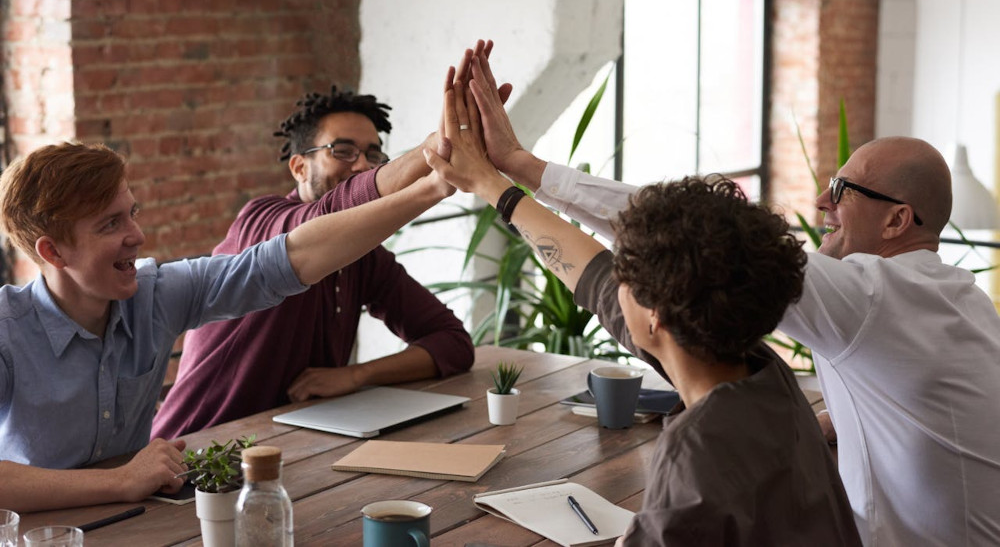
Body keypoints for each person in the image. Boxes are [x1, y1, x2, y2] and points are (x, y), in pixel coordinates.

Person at [464, 45, 1000, 544]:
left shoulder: (871, 298)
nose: (821, 201)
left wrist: (519, 172)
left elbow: (685, 235)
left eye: (841, 189)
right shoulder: (955, 299)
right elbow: (910, 403)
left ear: (897, 220)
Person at [424, 60, 861, 545]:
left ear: (657, 314)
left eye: (625, 274)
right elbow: (591, 275)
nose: (614, 282)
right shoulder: (760, 374)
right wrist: (493, 184)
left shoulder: (699, 454)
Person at [0, 140, 452, 512]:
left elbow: (284, 261)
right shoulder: (7, 329)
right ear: (54, 252)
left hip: (141, 525)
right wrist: (120, 481)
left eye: (132, 212)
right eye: (110, 223)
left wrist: (430, 188)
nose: (137, 235)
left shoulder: (155, 293)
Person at [151, 84, 474, 438]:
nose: (363, 164)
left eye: (373, 154)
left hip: (298, 451)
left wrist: (356, 374)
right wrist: (433, 151)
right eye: (343, 151)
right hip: (196, 454)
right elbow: (328, 215)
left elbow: (452, 342)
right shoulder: (262, 220)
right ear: (299, 168)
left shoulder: (365, 258)